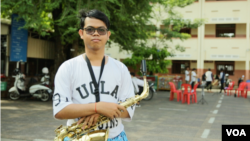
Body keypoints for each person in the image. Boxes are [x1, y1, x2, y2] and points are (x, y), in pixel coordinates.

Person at [52, 9, 135, 141]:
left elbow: (129, 109)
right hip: (77, 137)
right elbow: (59, 110)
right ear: (81, 33)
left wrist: (102, 112)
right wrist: (97, 107)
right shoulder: (67, 68)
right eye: (90, 29)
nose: (96, 33)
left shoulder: (121, 68)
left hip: (115, 137)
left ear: (108, 35)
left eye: (101, 30)